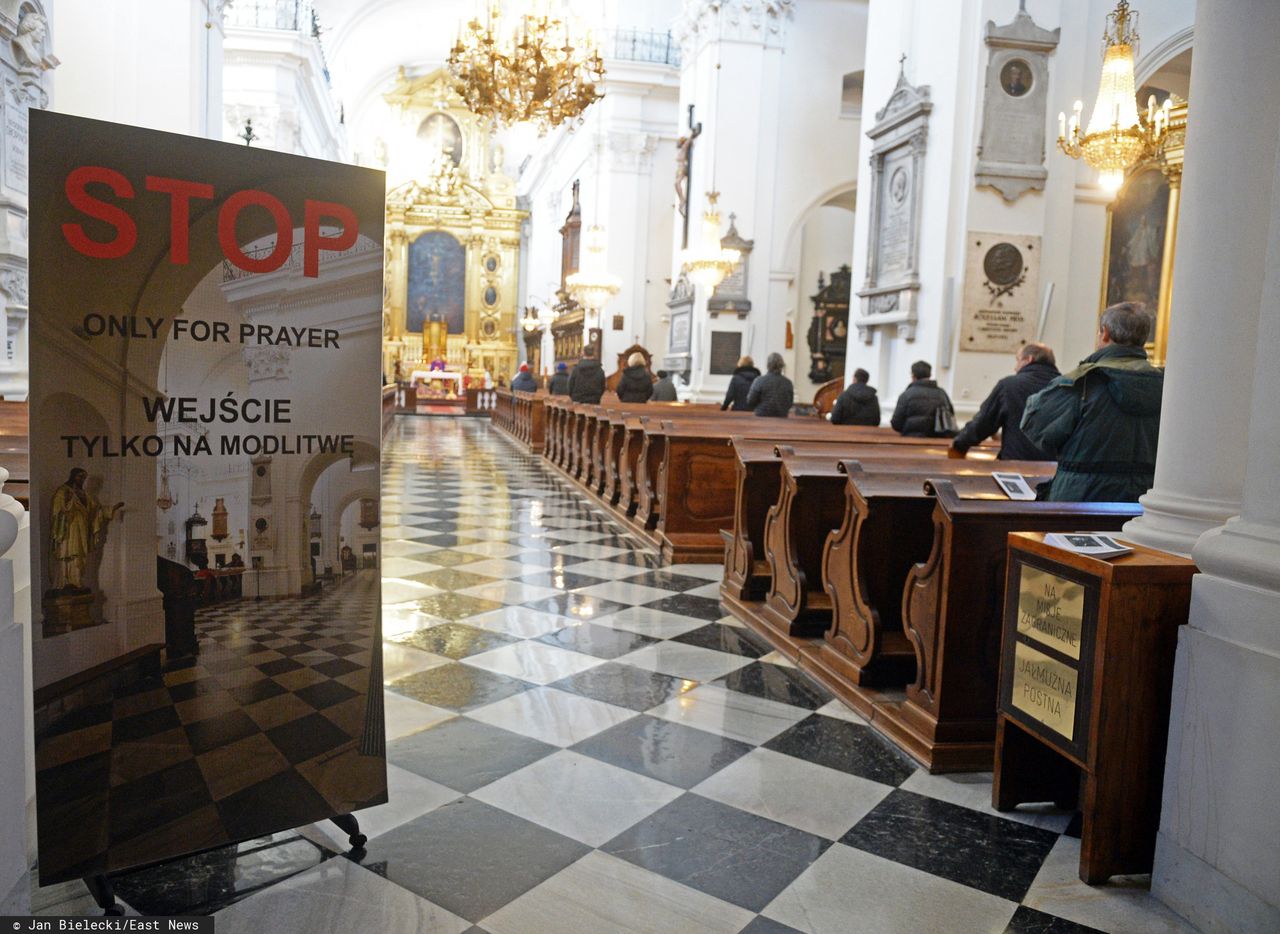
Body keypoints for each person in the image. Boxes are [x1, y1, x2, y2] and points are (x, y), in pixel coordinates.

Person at [1021, 302, 1163, 502]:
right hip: (1144, 502)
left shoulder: (1083, 382)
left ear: (1104, 333)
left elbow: (1034, 423)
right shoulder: (1167, 385)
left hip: (1081, 500)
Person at [951, 343, 1060, 460]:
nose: (1015, 367)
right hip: (1058, 469)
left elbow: (983, 423)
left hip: (1017, 466)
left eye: (1018, 360)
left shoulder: (1009, 386)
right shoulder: (1069, 388)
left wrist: (959, 445)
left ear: (1029, 359)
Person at [48, 468, 123, 594]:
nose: (81, 480)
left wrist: (111, 509)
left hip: (81, 530)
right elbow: (57, 511)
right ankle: (64, 582)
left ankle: (76, 581)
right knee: (68, 554)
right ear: (73, 476)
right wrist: (67, 506)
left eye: (84, 478)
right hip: (68, 531)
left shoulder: (84, 495)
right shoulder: (63, 491)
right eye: (79, 477)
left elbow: (96, 510)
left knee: (80, 556)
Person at [890, 360, 956, 437]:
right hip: (937, 441)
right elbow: (951, 415)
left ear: (913, 376)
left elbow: (896, 423)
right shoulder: (942, 394)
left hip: (910, 440)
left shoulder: (906, 395)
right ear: (930, 375)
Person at [747, 352, 794, 418]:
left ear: (768, 365)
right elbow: (789, 403)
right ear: (781, 365)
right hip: (781, 419)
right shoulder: (788, 383)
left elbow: (750, 401)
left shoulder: (759, 381)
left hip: (761, 418)